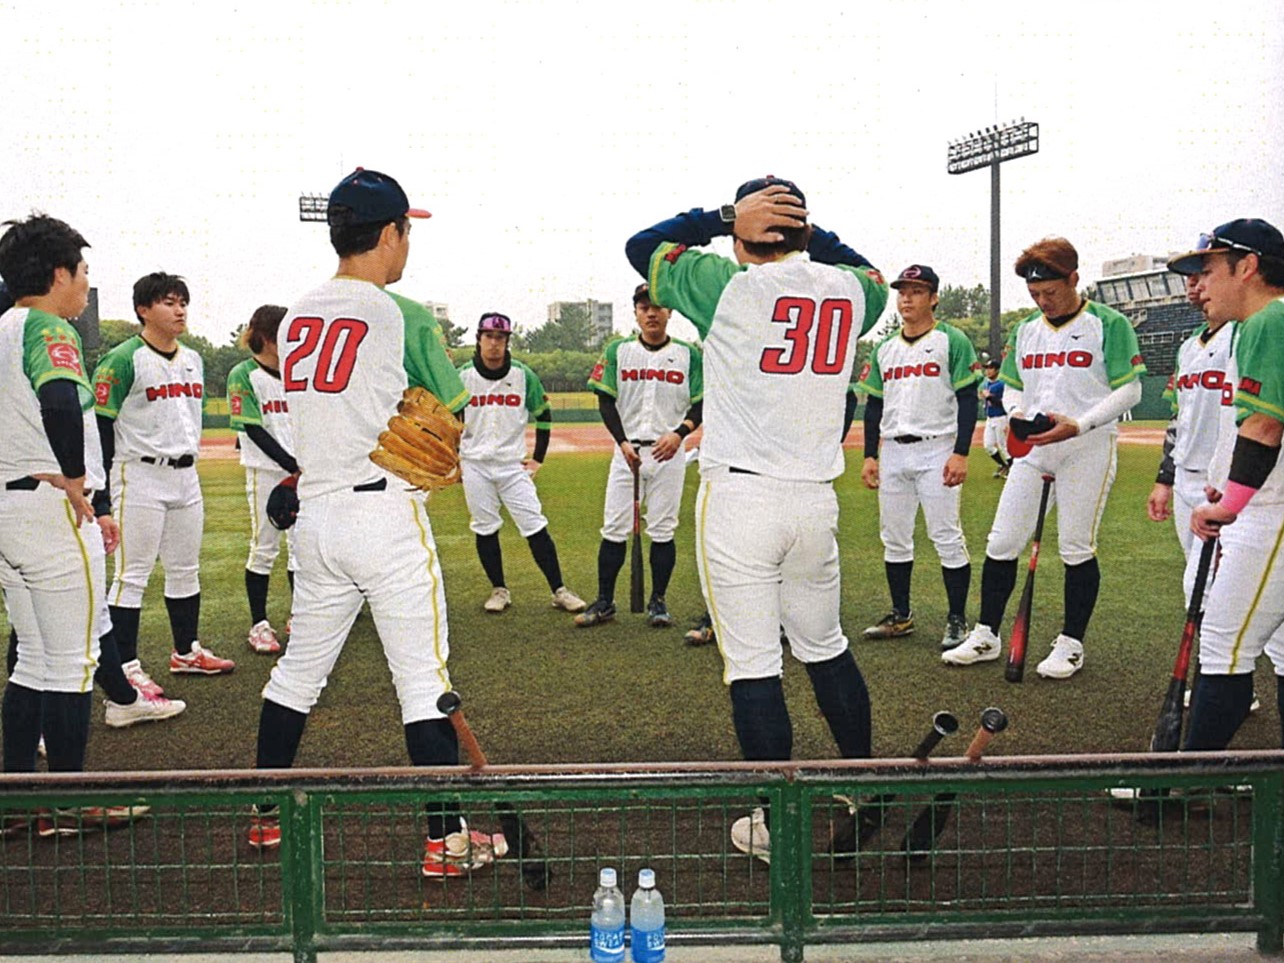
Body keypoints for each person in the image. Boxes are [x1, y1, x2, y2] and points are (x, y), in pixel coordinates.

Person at [249, 167, 502, 877]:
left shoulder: (296, 314)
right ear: (390, 232)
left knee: (298, 674)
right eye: (406, 229)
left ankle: (264, 816)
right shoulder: (403, 313)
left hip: (317, 516)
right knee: (423, 680)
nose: (408, 241)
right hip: (384, 515)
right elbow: (456, 412)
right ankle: (447, 843)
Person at [626, 176, 888, 862]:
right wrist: (805, 228)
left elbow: (642, 245)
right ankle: (865, 781)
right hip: (814, 502)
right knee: (824, 643)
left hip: (742, 497)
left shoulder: (728, 286)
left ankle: (776, 821)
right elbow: (866, 269)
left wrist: (721, 218)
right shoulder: (852, 291)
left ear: (746, 236)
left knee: (752, 663)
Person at [0, 215, 147, 829]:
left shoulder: (3, 326)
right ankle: (64, 802)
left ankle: (14, 801)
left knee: (33, 657)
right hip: (47, 506)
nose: (86, 283)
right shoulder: (45, 326)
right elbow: (60, 398)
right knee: (73, 662)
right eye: (83, 270)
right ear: (59, 273)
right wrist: (78, 478)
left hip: (10, 506)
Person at [942, 237, 1145, 679]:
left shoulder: (1108, 324)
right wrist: (1017, 411)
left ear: (1074, 278)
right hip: (1035, 450)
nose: (1043, 301)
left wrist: (1081, 424)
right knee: (1001, 542)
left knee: (1075, 545)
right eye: (1035, 295)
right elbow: (1012, 383)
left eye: (1050, 292)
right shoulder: (1026, 330)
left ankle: (1071, 644)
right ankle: (987, 634)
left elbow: (1130, 389)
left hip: (1085, 447)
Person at [94, 273, 235, 688]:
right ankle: (126, 669)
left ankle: (187, 651)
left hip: (186, 475)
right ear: (143, 309)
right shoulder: (123, 359)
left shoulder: (193, 357)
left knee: (185, 569)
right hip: (138, 474)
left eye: (183, 303)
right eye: (169, 302)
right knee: (132, 575)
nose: (179, 310)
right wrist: (102, 496)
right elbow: (102, 427)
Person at [1175, 219, 1284, 751]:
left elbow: (1264, 427)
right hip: (1266, 506)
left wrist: (1227, 506)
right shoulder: (1260, 325)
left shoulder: (1269, 320)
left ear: (1248, 267)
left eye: (1209, 269)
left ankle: (1185, 781)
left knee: (1222, 646)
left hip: (1273, 511)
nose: (1201, 284)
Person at [858, 264, 980, 650]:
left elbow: (967, 399)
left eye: (916, 291)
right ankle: (900, 614)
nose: (906, 298)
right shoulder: (885, 348)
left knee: (945, 535)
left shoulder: (951, 340)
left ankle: (957, 618)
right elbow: (874, 405)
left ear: (933, 297)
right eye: (902, 291)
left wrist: (961, 453)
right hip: (894, 450)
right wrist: (869, 455)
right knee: (894, 537)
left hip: (937, 447)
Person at [576, 282, 703, 629]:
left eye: (658, 306)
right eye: (644, 306)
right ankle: (605, 601)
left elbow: (702, 401)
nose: (651, 312)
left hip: (668, 454)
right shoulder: (618, 351)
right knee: (614, 528)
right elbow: (605, 398)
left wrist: (680, 434)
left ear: (669, 312)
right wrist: (621, 442)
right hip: (628, 452)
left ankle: (658, 601)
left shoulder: (689, 354)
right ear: (635, 312)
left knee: (662, 530)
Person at [456, 311, 585, 614]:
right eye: (489, 336)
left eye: (500, 338)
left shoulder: (522, 375)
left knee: (535, 525)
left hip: (512, 466)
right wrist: (453, 458)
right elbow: (450, 419)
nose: (494, 344)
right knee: (485, 528)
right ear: (478, 339)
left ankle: (559, 590)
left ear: (507, 341)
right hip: (474, 463)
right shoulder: (462, 376)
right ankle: (499, 589)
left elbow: (543, 415)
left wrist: (537, 459)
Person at [226, 305, 299, 654]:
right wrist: (290, 464)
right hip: (268, 473)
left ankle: (300, 616)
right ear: (268, 337)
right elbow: (252, 428)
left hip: (303, 474)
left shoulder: (297, 373)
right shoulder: (244, 374)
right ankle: (259, 625)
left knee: (303, 550)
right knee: (265, 548)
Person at [981, 360, 1012, 478]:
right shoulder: (987, 383)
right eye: (987, 368)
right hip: (990, 418)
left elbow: (1004, 403)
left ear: (997, 370)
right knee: (988, 446)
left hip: (1001, 417)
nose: (988, 371)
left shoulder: (1002, 384)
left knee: (1003, 445)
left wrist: (989, 397)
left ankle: (1012, 469)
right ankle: (1004, 465)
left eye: (990, 368)